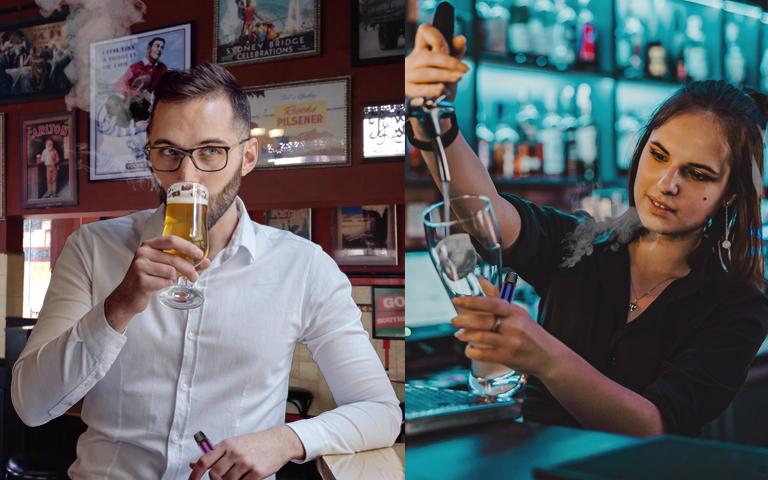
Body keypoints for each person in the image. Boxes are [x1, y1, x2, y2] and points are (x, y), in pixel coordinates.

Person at [12, 62, 401, 479]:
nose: (187, 176)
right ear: (150, 154)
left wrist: (287, 439)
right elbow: (30, 407)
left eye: (211, 151)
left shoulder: (303, 266)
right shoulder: (91, 248)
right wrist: (118, 306)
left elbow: (380, 411)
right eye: (169, 152)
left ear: (247, 157)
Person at [406, 24, 768, 438]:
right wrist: (433, 122)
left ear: (730, 195)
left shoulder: (738, 304)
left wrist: (544, 356)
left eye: (698, 174)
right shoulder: (580, 243)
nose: (667, 183)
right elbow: (485, 216)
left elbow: (656, 425)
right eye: (659, 154)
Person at [114, 37, 167, 122]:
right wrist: (138, 93)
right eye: (157, 46)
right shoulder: (135, 67)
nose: (159, 49)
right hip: (132, 108)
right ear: (148, 48)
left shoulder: (162, 68)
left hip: (151, 108)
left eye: (162, 47)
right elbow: (118, 86)